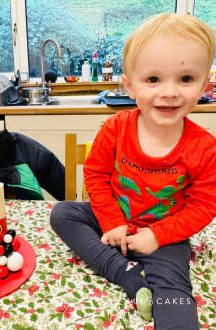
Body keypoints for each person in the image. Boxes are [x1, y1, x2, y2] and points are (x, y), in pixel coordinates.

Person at [50, 13, 216, 329]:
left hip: (165, 236)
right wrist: (112, 222)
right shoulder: (116, 128)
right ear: (130, 85)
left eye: (185, 79)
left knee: (175, 295)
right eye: (153, 80)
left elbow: (204, 206)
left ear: (204, 84)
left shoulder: (205, 147)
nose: (169, 92)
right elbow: (96, 175)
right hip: (113, 220)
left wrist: (157, 236)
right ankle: (126, 274)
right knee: (62, 213)